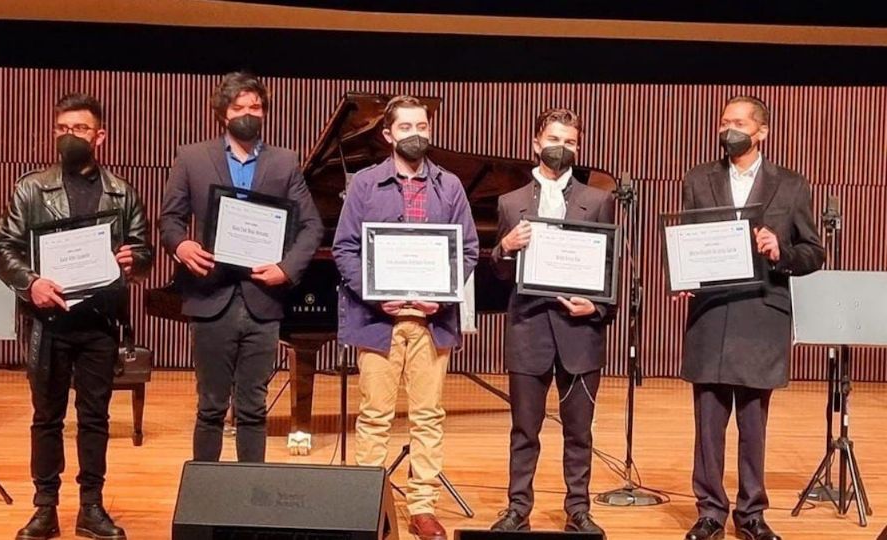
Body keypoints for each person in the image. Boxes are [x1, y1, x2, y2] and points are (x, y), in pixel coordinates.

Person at [0, 93, 152, 540]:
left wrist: (133, 259)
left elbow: (144, 250)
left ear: (100, 136)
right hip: (48, 324)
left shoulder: (122, 192)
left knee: (95, 418)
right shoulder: (31, 188)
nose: (70, 135)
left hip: (100, 323)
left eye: (80, 128)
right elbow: (3, 249)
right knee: (46, 418)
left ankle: (91, 507)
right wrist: (31, 282)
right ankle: (45, 508)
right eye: (62, 128)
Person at [332, 95, 478, 540]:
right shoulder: (363, 185)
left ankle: (422, 508)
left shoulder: (449, 186)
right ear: (388, 134)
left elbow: (467, 250)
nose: (416, 133)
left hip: (432, 322)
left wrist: (444, 293)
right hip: (378, 322)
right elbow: (345, 249)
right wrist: (376, 297)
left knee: (428, 416)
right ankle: (369, 504)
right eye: (407, 126)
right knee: (374, 414)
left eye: (422, 126)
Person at [159, 71, 323, 463]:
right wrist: (181, 246)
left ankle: (250, 500)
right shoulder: (192, 157)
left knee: (253, 408)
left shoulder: (284, 162)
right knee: (211, 407)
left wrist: (287, 268)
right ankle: (205, 499)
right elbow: (170, 220)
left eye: (256, 107)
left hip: (262, 300)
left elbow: (312, 225)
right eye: (239, 107)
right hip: (210, 296)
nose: (248, 113)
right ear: (222, 114)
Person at [681, 96, 824, 540]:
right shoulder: (698, 178)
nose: (729, 130)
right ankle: (709, 512)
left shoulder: (793, 185)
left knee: (752, 423)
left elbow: (814, 252)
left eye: (739, 123)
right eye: (724, 122)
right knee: (707, 422)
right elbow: (686, 238)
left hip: (761, 314)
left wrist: (780, 252)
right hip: (711, 313)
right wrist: (683, 272)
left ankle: (751, 513)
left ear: (761, 132)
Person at [488, 108, 614, 537]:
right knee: (524, 430)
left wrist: (594, 308)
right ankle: (517, 508)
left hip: (580, 334)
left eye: (571, 141)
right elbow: (500, 273)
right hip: (529, 332)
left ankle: (578, 509)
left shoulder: (598, 200)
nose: (563, 147)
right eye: (555, 139)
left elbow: (611, 267)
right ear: (537, 144)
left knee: (579, 433)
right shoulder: (510, 203)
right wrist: (504, 245)